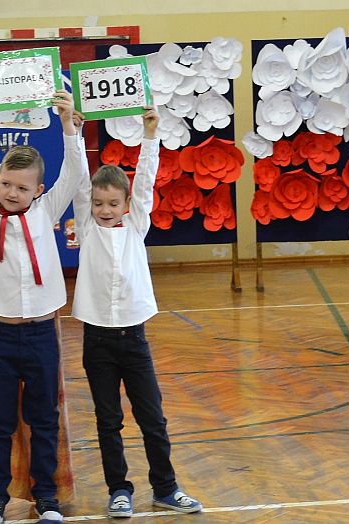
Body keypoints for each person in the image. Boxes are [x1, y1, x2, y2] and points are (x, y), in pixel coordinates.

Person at [71, 108, 203, 517]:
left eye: (113, 203)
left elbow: (145, 180)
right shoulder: (87, 228)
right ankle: (119, 489)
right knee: (108, 420)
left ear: (126, 204)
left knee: (152, 418)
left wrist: (150, 135)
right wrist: (73, 132)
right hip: (97, 340)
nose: (105, 209)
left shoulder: (135, 227)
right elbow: (78, 180)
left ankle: (166, 487)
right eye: (99, 203)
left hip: (134, 338)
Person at [0, 85, 83, 524]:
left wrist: (68, 125)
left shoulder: (46, 211)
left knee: (43, 419)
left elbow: (74, 172)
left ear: (39, 190)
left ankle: (46, 496)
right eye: (6, 184)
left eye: (22, 187)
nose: (12, 193)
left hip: (41, 334)